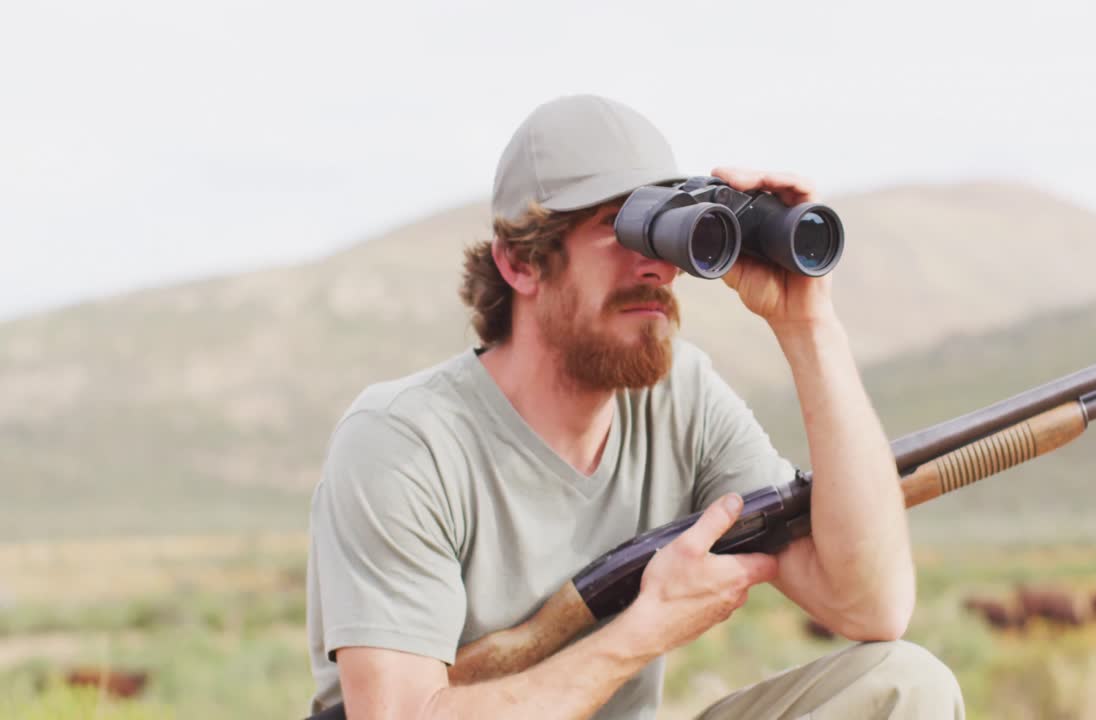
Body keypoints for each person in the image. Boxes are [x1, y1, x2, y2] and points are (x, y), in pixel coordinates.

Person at [306, 94, 964, 719]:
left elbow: (868, 607)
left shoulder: (682, 398)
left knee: (905, 686)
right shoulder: (402, 440)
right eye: (621, 227)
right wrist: (636, 637)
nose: (657, 267)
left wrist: (808, 326)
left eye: (666, 233)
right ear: (520, 263)